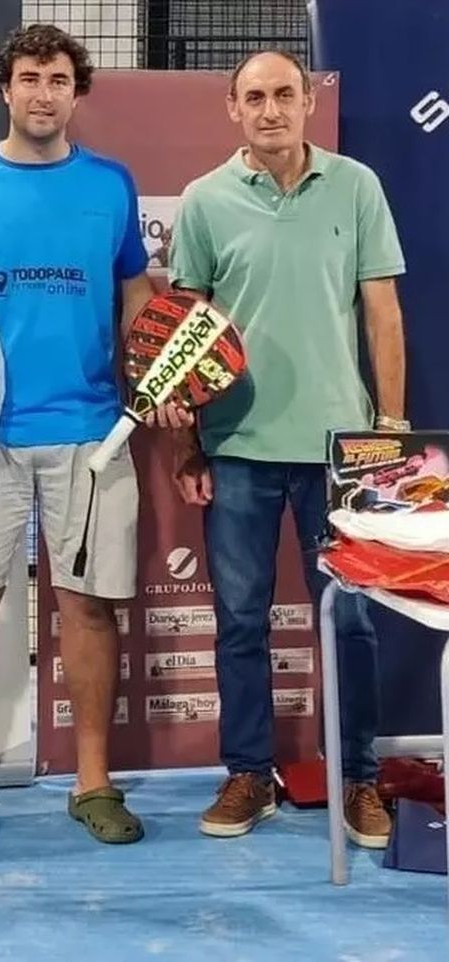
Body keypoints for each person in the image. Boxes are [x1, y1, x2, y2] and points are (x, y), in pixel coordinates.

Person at [0, 24, 186, 845]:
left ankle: (92, 782)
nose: (43, 92)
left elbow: (137, 302)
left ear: (75, 92)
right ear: (5, 89)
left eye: (57, 78)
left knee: (86, 610)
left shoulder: (112, 186)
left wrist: (160, 376)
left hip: (92, 436)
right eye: (28, 77)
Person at [168, 49, 407, 849]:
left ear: (308, 102)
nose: (270, 109)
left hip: (344, 450)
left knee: (352, 626)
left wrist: (393, 428)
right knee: (239, 620)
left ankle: (361, 780)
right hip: (237, 445)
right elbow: (185, 330)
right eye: (255, 98)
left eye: (284, 95)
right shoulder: (204, 201)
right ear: (233, 109)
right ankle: (248, 773)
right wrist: (195, 442)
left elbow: (382, 312)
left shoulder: (357, 186)